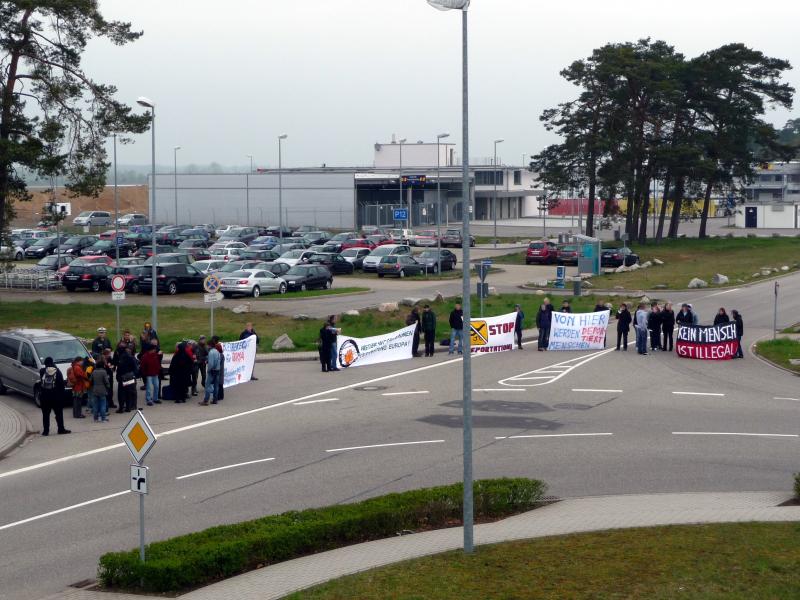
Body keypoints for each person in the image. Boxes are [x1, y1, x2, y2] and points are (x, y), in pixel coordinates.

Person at [39, 357, 70, 436]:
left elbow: (41, 383)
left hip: (45, 397)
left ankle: (46, 431)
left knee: (45, 415)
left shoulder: (42, 371)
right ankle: (61, 429)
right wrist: (61, 396)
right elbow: (61, 385)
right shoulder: (57, 371)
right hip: (56, 397)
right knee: (59, 413)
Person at [116, 346, 139, 412]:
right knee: (128, 392)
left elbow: (119, 369)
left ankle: (121, 408)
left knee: (121, 393)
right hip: (130, 377)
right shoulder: (131, 357)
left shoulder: (121, 358)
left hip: (122, 378)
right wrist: (133, 375)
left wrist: (118, 377)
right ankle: (128, 407)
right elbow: (135, 368)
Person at [89, 356, 110, 422]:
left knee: (95, 405)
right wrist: (108, 386)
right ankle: (103, 418)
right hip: (102, 389)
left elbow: (90, 380)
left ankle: (95, 418)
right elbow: (106, 382)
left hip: (95, 389)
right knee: (103, 404)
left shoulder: (94, 372)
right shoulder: (103, 372)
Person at [201, 337, 221, 405]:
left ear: (210, 345)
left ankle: (206, 400)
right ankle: (215, 399)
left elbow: (211, 364)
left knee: (207, 385)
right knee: (216, 386)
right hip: (217, 370)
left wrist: (208, 369)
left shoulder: (211, 352)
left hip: (212, 371)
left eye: (207, 345)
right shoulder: (217, 352)